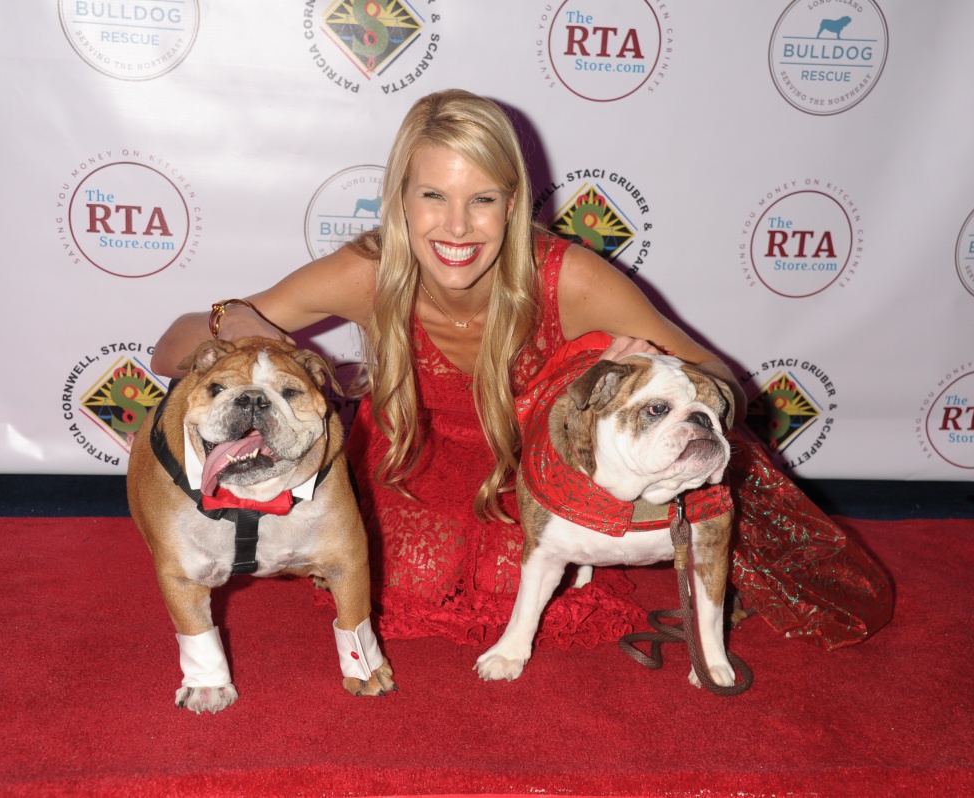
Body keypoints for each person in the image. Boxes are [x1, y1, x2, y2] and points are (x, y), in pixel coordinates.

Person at [152, 89, 892, 653]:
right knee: (402, 584)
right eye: (432, 197)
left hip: (532, 468)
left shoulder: (567, 277)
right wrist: (236, 321)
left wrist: (656, 369)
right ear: (400, 202)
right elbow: (168, 347)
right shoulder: (366, 270)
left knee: (519, 586)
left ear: (514, 205)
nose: (456, 227)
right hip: (413, 460)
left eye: (483, 201)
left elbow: (719, 377)